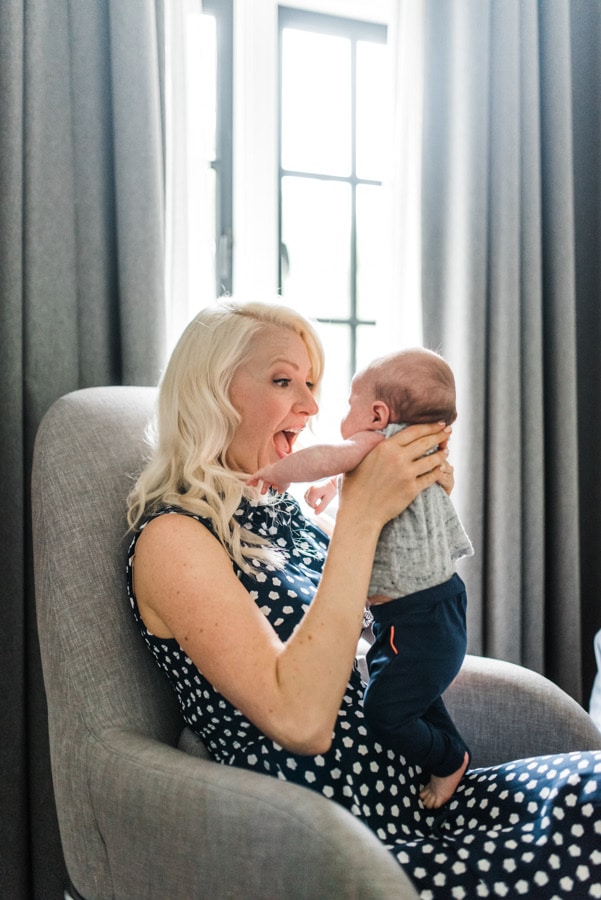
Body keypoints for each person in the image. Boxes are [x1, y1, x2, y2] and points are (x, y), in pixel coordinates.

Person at [126, 299, 601, 898]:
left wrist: (414, 501)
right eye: (282, 380)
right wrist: (362, 513)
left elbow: (378, 608)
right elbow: (302, 722)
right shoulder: (174, 539)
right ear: (211, 392)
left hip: (421, 806)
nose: (311, 405)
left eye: (311, 383)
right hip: (350, 848)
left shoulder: (281, 515)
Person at [248, 348, 473, 808]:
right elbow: (346, 472)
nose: (322, 409)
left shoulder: (380, 444)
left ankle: (449, 759)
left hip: (413, 613)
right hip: (440, 604)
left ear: (377, 414)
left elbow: (325, 457)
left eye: (349, 403)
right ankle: (451, 759)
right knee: (410, 691)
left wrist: (276, 472)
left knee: (384, 709)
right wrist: (334, 487)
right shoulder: (416, 451)